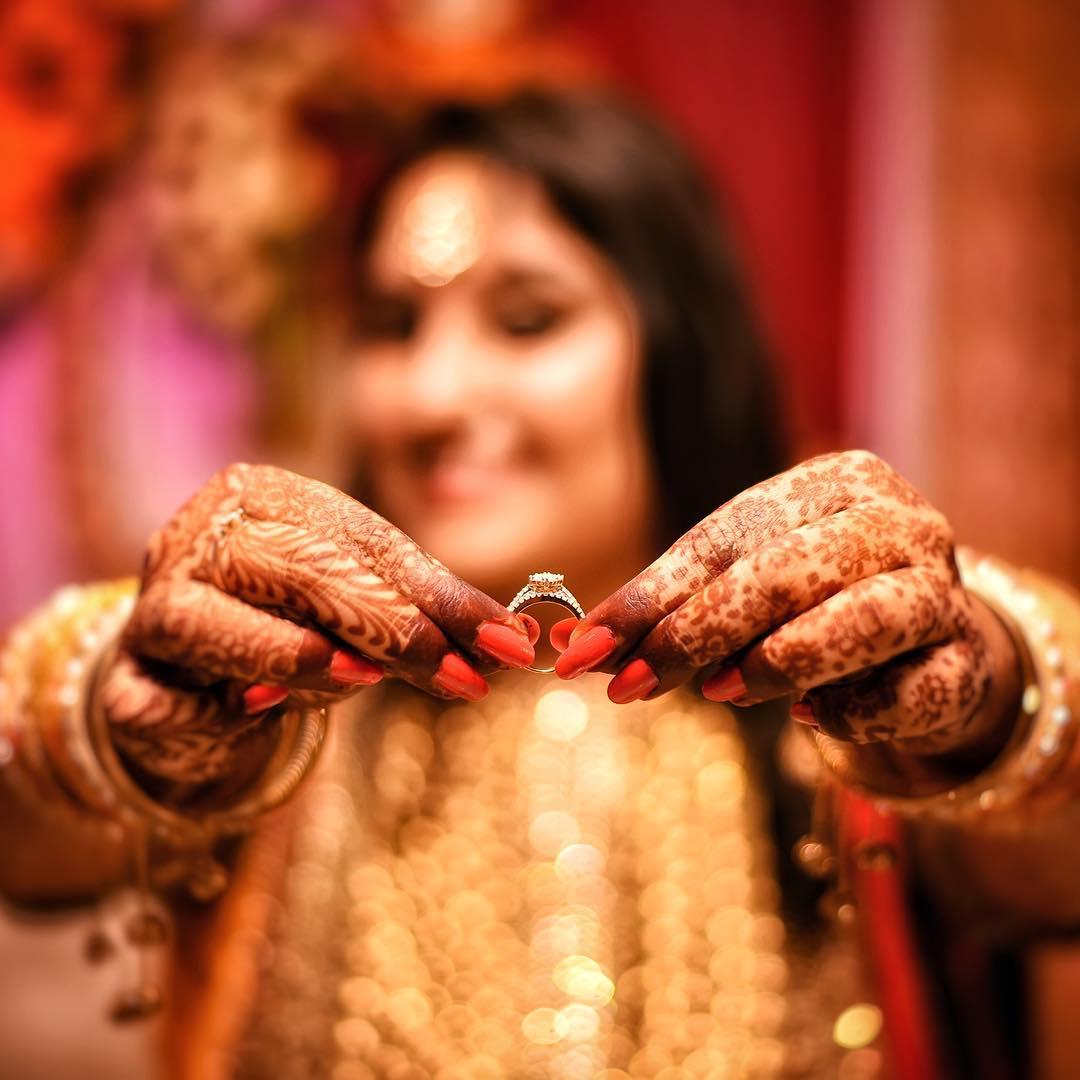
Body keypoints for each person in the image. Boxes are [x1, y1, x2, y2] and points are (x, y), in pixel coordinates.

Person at [1, 88, 1078, 1079]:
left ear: (675, 347)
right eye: (392, 328)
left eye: (528, 319)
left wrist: (986, 689)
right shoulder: (274, 708)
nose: (434, 395)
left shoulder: (851, 685)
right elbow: (28, 836)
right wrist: (112, 705)